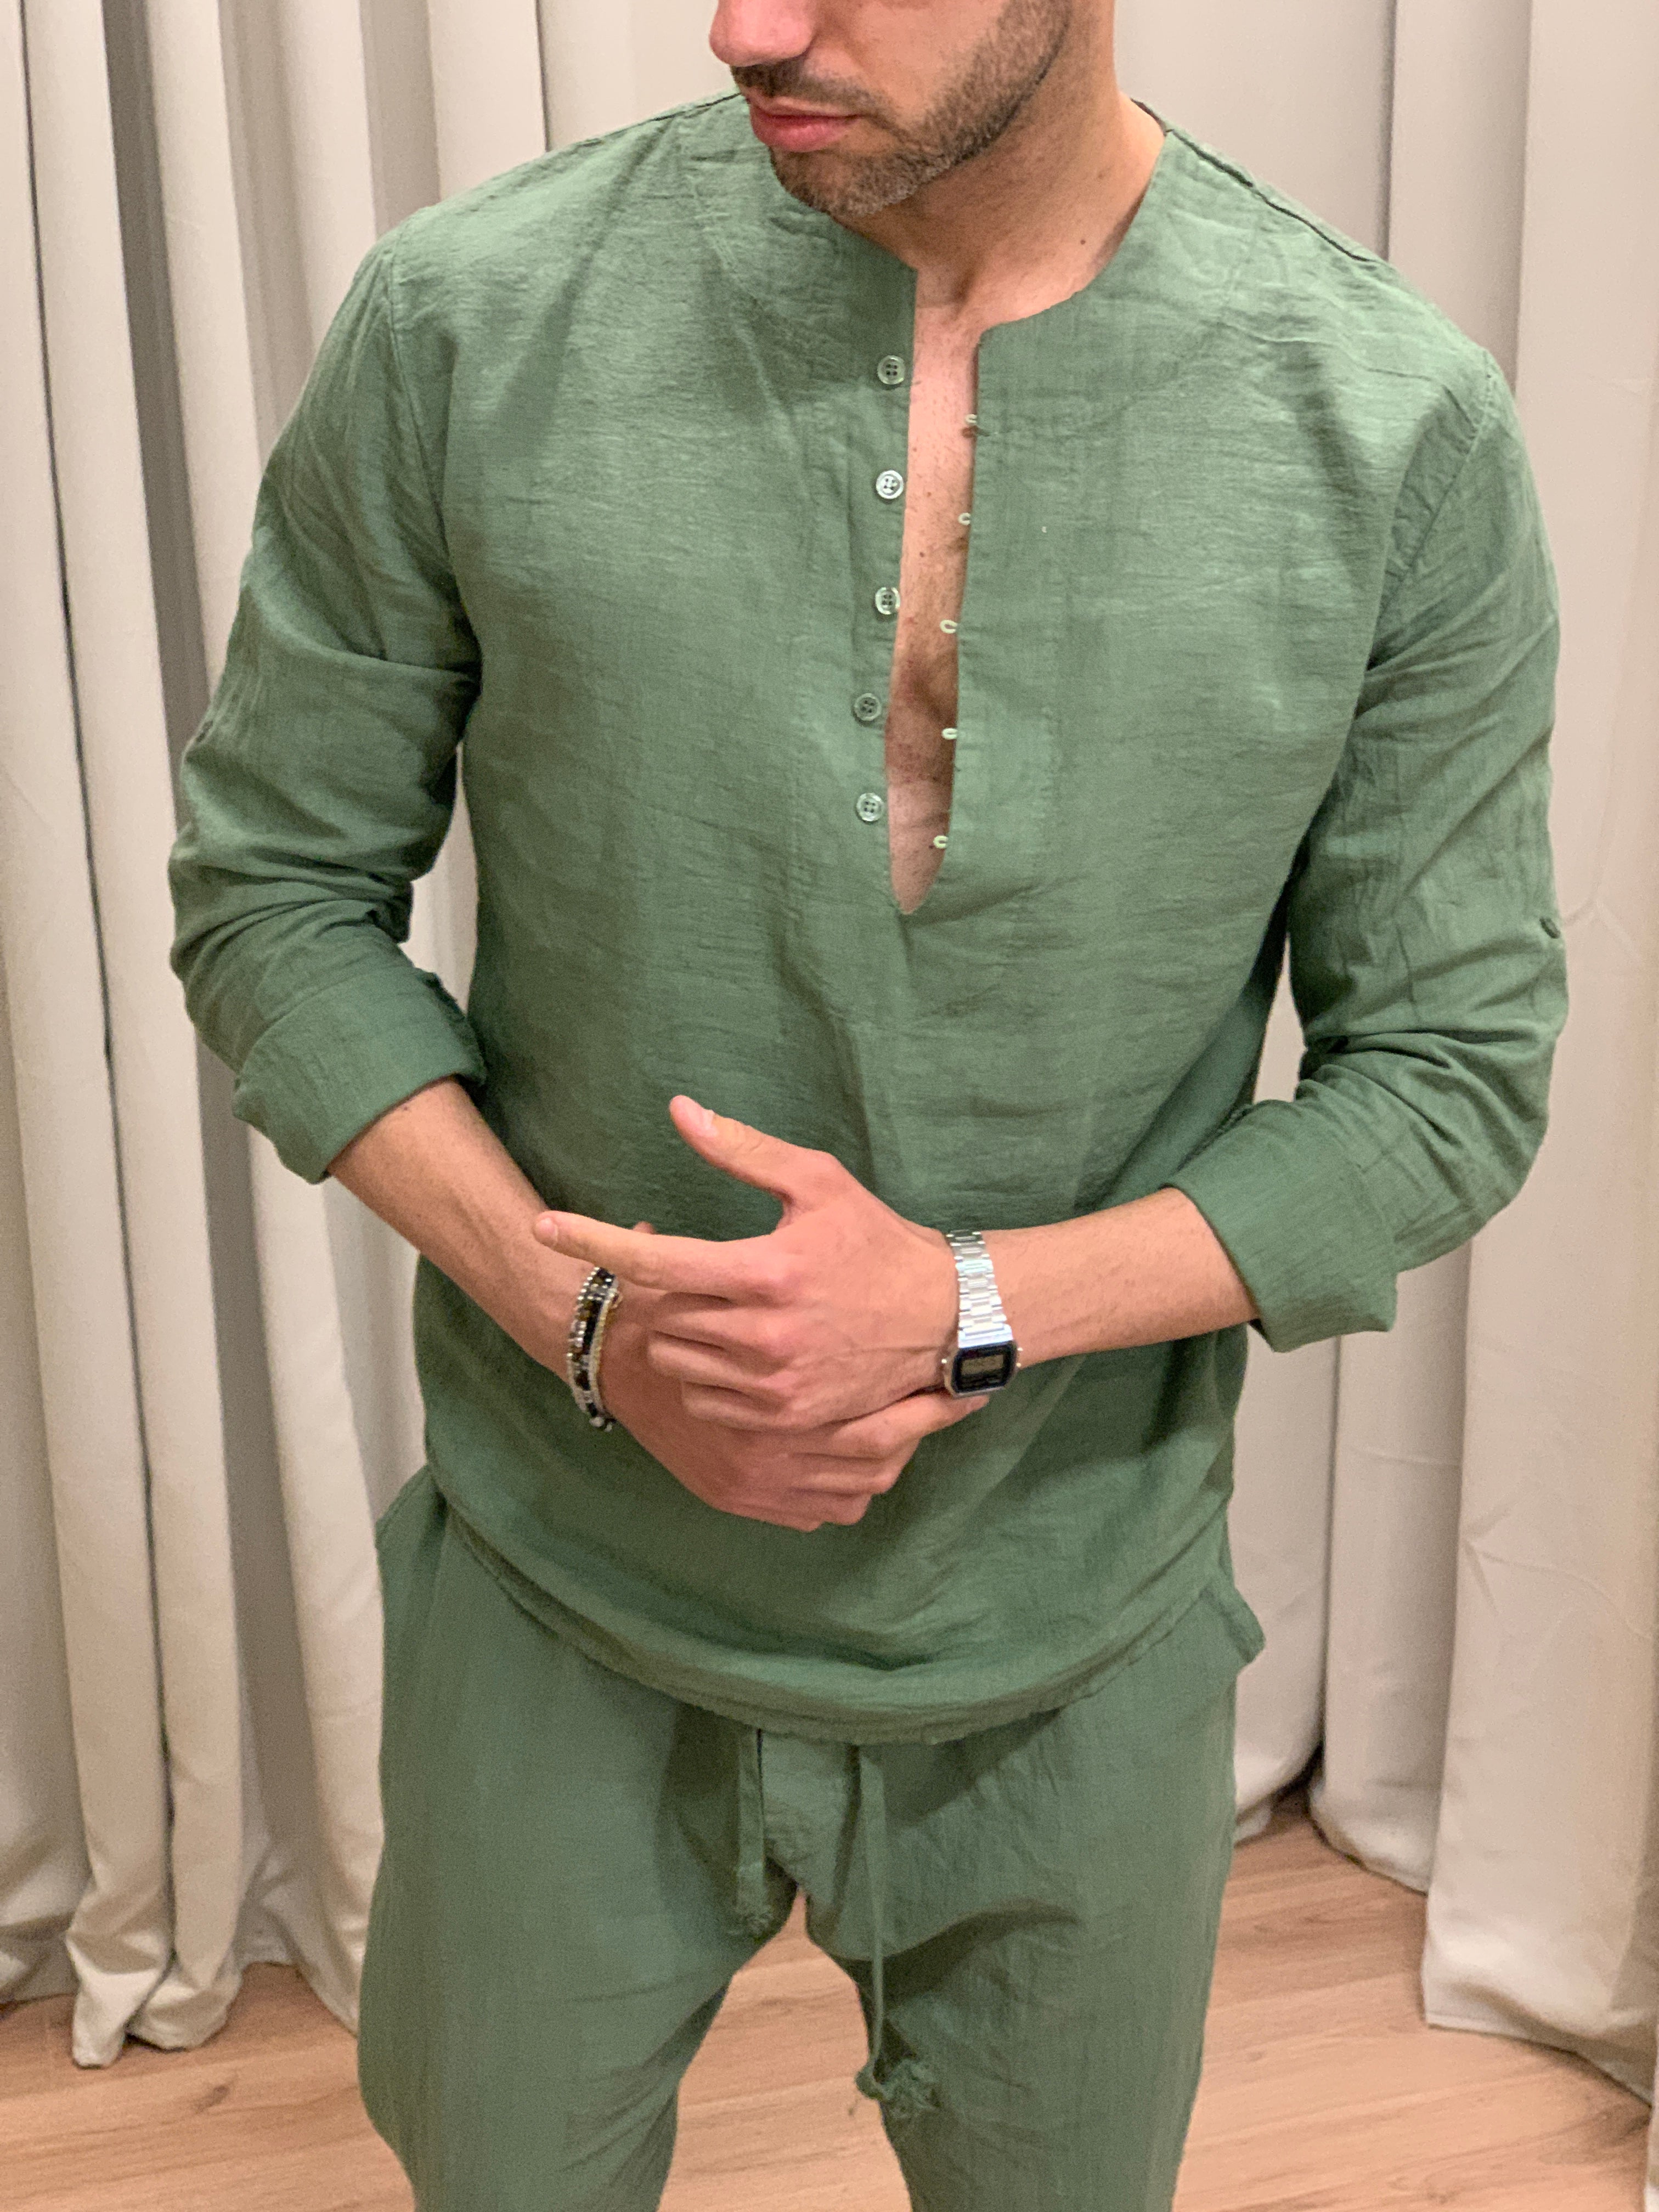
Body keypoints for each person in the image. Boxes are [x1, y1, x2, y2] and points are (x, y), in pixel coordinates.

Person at [168, 0, 1566, 2204]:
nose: (747, 26)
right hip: (558, 1586)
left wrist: (969, 1307)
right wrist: (590, 1325)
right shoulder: (467, 319)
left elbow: (1450, 1076)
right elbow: (272, 896)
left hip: (1072, 1624)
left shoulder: (1391, 422)